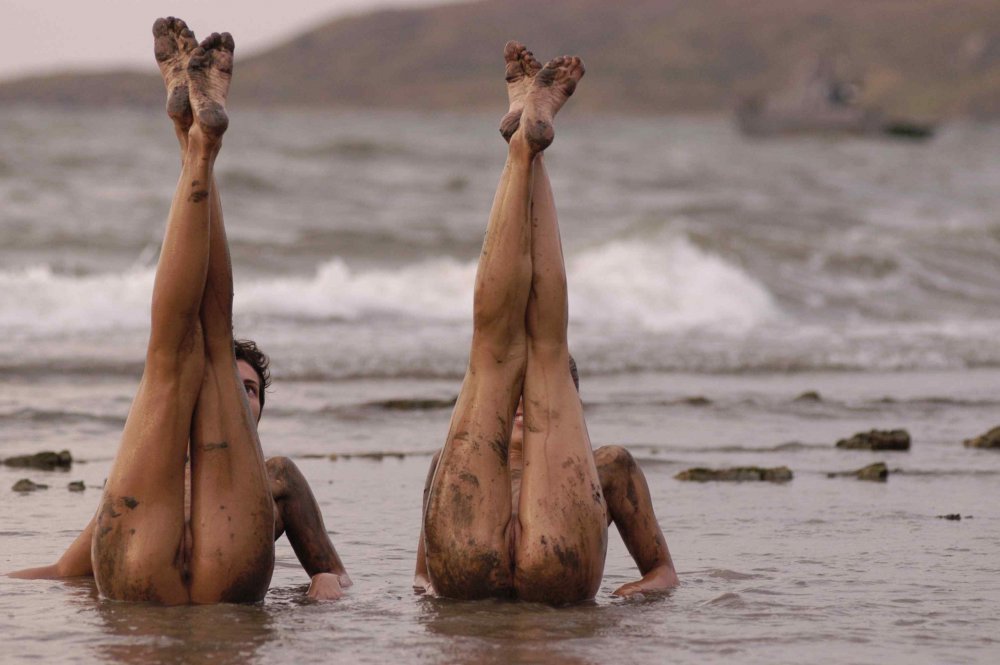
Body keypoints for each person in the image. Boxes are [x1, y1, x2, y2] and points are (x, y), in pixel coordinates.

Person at [7, 18, 349, 603]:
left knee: (172, 352)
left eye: (252, 389)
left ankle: (190, 134)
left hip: (147, 556)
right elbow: (64, 572)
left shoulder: (258, 478)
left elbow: (332, 576)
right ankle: (195, 138)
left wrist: (326, 593)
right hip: (230, 561)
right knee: (207, 341)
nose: (242, 395)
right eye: (240, 386)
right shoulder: (269, 484)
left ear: (262, 405)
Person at [417, 42, 678, 604]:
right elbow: (420, 575)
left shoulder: (599, 465)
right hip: (552, 565)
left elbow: (662, 574)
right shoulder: (598, 465)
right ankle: (526, 140)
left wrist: (638, 597)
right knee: (542, 345)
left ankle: (523, 142)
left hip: (472, 569)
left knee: (496, 349)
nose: (520, 406)